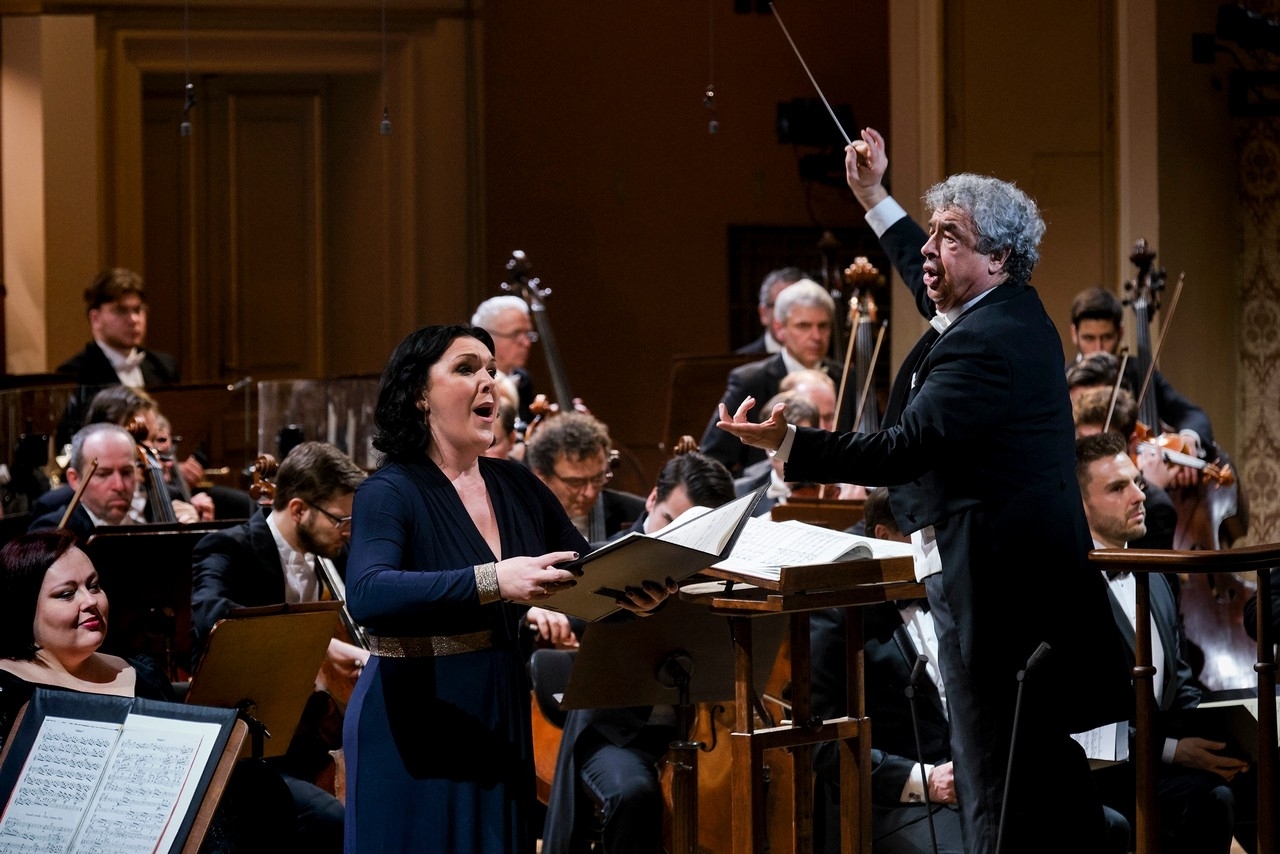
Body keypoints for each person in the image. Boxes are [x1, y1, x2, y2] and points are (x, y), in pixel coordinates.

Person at [715, 127, 1131, 853]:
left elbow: (905, 448)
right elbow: (922, 269)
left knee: (993, 776)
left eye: (950, 236)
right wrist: (874, 196)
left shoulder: (986, 342)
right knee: (1030, 764)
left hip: (996, 594)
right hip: (1004, 584)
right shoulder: (1003, 310)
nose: (930, 250)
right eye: (932, 232)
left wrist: (789, 444)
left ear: (997, 257)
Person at [341, 323, 672, 853]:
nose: (489, 381)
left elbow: (585, 571)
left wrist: (638, 594)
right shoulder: (389, 490)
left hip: (499, 705)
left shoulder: (516, 484)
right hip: (413, 712)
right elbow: (368, 592)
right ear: (420, 394)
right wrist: (494, 579)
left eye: (492, 370)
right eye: (466, 368)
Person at [0, 528, 299, 850]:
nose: (91, 602)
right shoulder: (8, 693)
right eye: (66, 594)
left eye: (94, 586)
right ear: (23, 606)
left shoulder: (141, 673)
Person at [542, 448, 736, 854]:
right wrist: (544, 614)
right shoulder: (599, 561)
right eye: (670, 523)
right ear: (651, 500)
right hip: (617, 735)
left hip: (705, 732)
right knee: (634, 792)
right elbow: (556, 612)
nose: (678, 546)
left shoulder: (724, 573)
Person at [190, 440, 365, 852]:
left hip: (305, 733)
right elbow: (210, 617)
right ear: (299, 509)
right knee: (331, 821)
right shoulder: (228, 548)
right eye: (340, 520)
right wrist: (317, 643)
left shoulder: (331, 554)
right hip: (244, 745)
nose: (347, 531)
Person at [1076, 431, 1247, 854]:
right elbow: (1081, 720)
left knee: (1231, 786)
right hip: (1098, 774)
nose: (1139, 495)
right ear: (1081, 504)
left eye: (1138, 482)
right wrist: (1173, 751)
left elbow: (1181, 682)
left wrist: (1224, 737)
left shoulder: (1155, 575)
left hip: (1158, 766)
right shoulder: (1069, 590)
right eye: (1117, 488)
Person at [1069, 286, 1215, 487]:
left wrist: (1187, 441)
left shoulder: (1138, 371)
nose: (1098, 348)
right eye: (1089, 338)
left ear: (1120, 332)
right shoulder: (1063, 380)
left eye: (1107, 337)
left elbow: (1190, 414)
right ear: (1074, 334)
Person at [701, 279, 850, 475]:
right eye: (803, 326)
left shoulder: (847, 377)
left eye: (823, 326)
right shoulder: (751, 381)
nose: (816, 336)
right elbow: (713, 459)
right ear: (780, 329)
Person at [55, 268, 181, 448]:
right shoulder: (74, 373)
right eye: (121, 311)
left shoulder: (164, 366)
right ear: (95, 318)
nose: (134, 319)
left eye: (138, 309)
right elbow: (73, 443)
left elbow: (183, 426)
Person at [28, 423, 199, 539]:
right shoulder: (52, 532)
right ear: (75, 479)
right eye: (103, 474)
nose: (119, 486)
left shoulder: (145, 532)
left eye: (126, 473)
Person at [525, 411, 645, 546]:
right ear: (541, 476)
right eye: (576, 482)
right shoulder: (519, 518)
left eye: (597, 478)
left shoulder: (636, 512)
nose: (590, 493)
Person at [472, 294, 538, 425]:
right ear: (486, 337)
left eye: (527, 334)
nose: (527, 343)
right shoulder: (473, 384)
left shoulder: (523, 380)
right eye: (516, 334)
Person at [736, 266, 807, 355]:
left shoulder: (823, 359)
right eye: (783, 307)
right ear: (764, 314)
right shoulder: (742, 359)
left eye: (800, 307)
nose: (792, 315)